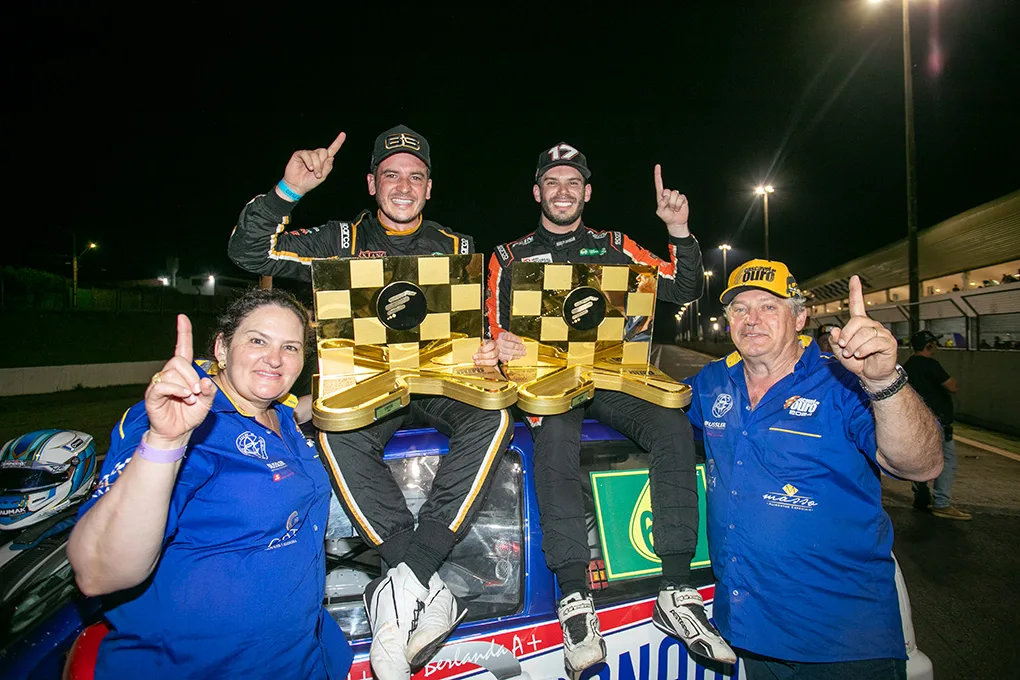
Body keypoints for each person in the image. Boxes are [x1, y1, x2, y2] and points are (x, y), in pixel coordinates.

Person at [228, 125, 512, 679]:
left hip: (436, 385)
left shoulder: (457, 247)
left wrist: (484, 350)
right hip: (366, 387)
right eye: (391, 175)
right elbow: (246, 252)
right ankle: (426, 584)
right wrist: (287, 192)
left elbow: (472, 330)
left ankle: (401, 587)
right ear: (370, 183)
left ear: (430, 187)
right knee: (337, 429)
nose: (403, 185)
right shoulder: (338, 240)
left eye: (415, 176)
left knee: (493, 412)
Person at [487, 142, 734, 673]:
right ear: (537, 192)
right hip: (549, 384)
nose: (562, 191)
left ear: (587, 192)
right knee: (553, 437)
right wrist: (499, 344)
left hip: (613, 378)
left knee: (671, 425)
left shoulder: (616, 244)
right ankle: (574, 595)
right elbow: (489, 327)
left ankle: (676, 587)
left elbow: (683, 288)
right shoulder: (507, 257)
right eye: (552, 182)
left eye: (572, 182)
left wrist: (679, 232)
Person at [67, 289, 353, 679]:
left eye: (291, 347)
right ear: (221, 347)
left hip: (303, 660)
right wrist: (165, 442)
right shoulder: (182, 415)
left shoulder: (276, 413)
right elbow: (99, 571)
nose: (275, 358)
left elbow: (305, 406)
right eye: (257, 340)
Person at [684, 259, 942, 679]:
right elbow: (649, 410)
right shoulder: (713, 382)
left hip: (843, 640)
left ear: (800, 317)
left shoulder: (842, 382)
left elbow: (923, 464)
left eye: (769, 306)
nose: (752, 320)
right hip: (750, 633)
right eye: (740, 308)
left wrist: (884, 383)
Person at [905, 330, 970, 520]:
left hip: (915, 420)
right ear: (929, 346)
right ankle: (941, 503)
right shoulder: (931, 364)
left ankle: (921, 496)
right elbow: (952, 386)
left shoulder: (908, 365)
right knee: (947, 461)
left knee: (919, 460)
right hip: (936, 421)